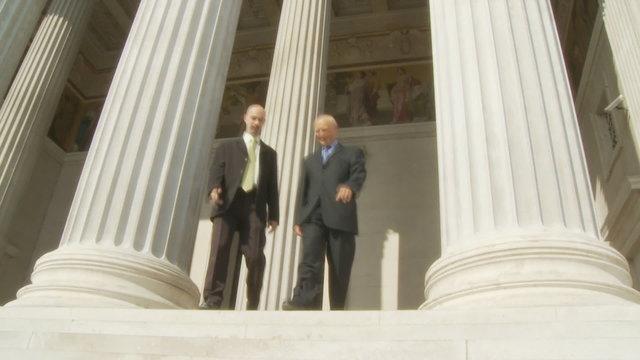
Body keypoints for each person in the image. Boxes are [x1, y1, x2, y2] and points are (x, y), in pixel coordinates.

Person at [283, 114, 366, 310]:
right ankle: (305, 301)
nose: (320, 134)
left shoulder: (352, 153)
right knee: (309, 258)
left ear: (335, 130)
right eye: (317, 131)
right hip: (313, 216)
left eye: (324, 130)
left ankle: (337, 307)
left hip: (340, 216)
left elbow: (359, 173)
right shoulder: (310, 160)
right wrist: (298, 219)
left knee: (340, 265)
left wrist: (350, 186)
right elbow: (303, 189)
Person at [202, 104, 279, 310]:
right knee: (219, 250)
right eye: (253, 118)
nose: (256, 123)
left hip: (255, 206)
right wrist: (214, 189)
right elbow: (216, 172)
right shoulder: (227, 146)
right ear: (244, 117)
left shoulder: (270, 154)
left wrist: (275, 215)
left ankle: (252, 301)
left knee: (255, 255)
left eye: (260, 120)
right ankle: (212, 299)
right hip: (228, 204)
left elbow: (272, 186)